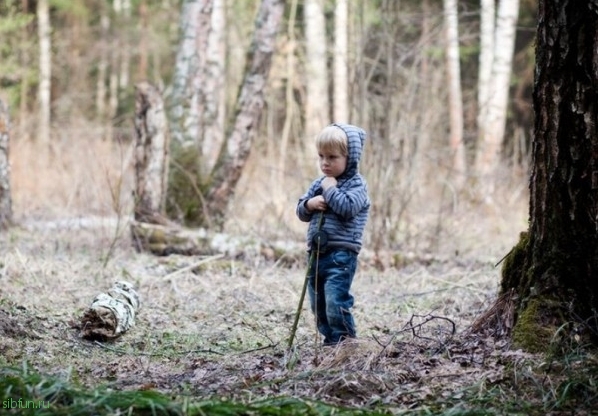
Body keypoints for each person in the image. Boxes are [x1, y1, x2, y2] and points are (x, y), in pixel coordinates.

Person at [296, 123, 370, 346]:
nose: (325, 163)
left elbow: (347, 208)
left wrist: (330, 189)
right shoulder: (318, 183)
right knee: (317, 303)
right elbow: (301, 211)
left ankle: (345, 343)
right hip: (316, 254)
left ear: (350, 158)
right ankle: (331, 343)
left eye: (332, 157)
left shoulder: (357, 185)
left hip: (341, 255)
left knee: (335, 301)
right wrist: (309, 204)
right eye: (321, 156)